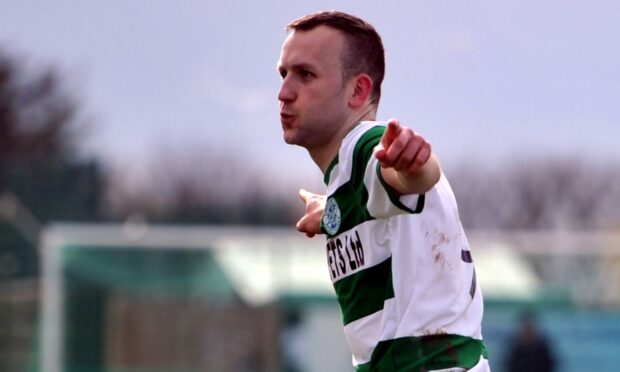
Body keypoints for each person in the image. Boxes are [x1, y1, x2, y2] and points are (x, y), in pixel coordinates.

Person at [277, 11, 489, 371]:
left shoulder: (367, 145)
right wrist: (330, 212)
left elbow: (409, 178)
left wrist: (415, 163)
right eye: (284, 74)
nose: (284, 93)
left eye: (305, 75)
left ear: (358, 91)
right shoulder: (347, 178)